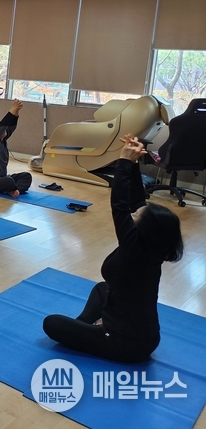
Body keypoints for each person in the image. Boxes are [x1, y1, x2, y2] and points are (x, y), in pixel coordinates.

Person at [42, 135, 183, 363]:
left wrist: (123, 162)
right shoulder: (152, 245)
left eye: (135, 216)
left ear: (143, 228)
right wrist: (134, 164)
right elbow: (137, 202)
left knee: (51, 323)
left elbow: (119, 205)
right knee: (102, 288)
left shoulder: (134, 251)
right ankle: (85, 327)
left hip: (125, 343)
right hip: (145, 337)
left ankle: (89, 330)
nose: (133, 213)